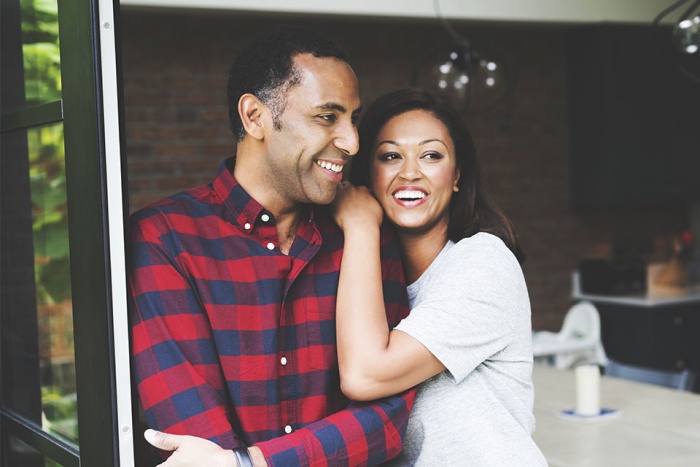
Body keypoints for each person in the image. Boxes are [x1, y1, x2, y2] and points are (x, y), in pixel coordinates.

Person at [128, 27, 415, 467]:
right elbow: (195, 442)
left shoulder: (364, 233)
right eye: (327, 117)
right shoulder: (164, 239)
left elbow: (387, 420)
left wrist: (250, 463)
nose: (353, 142)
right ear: (254, 117)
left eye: (353, 119)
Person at [331, 88, 548, 465]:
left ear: (457, 175)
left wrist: (361, 223)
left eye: (431, 155)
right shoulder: (367, 277)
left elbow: (365, 375)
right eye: (390, 156)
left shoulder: (483, 261)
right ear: (369, 173)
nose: (410, 172)